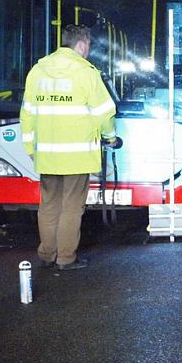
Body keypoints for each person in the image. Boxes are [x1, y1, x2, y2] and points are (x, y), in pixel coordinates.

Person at [20, 24, 117, 271]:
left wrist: (31, 147)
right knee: (72, 208)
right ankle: (65, 258)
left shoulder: (38, 71)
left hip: (47, 156)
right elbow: (104, 113)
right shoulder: (86, 73)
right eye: (88, 47)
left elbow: (27, 114)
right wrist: (110, 137)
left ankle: (46, 254)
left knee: (49, 205)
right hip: (76, 156)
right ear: (82, 45)